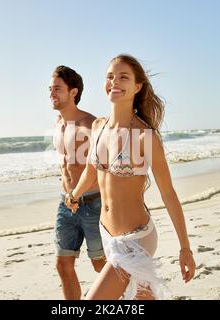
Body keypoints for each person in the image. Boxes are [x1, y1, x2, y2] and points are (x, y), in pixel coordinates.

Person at [65, 54, 196, 300]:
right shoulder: (98, 127)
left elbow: (168, 193)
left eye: (123, 77)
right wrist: (74, 195)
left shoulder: (145, 136)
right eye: (110, 76)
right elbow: (92, 172)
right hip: (107, 235)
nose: (114, 81)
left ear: (137, 87)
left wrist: (185, 248)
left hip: (136, 239)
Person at [49, 65, 107, 300]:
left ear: (73, 92)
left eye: (57, 89)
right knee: (63, 264)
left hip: (92, 204)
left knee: (101, 265)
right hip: (66, 204)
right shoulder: (58, 123)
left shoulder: (89, 125)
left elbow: (98, 169)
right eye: (50, 89)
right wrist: (69, 197)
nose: (52, 93)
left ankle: (136, 297)